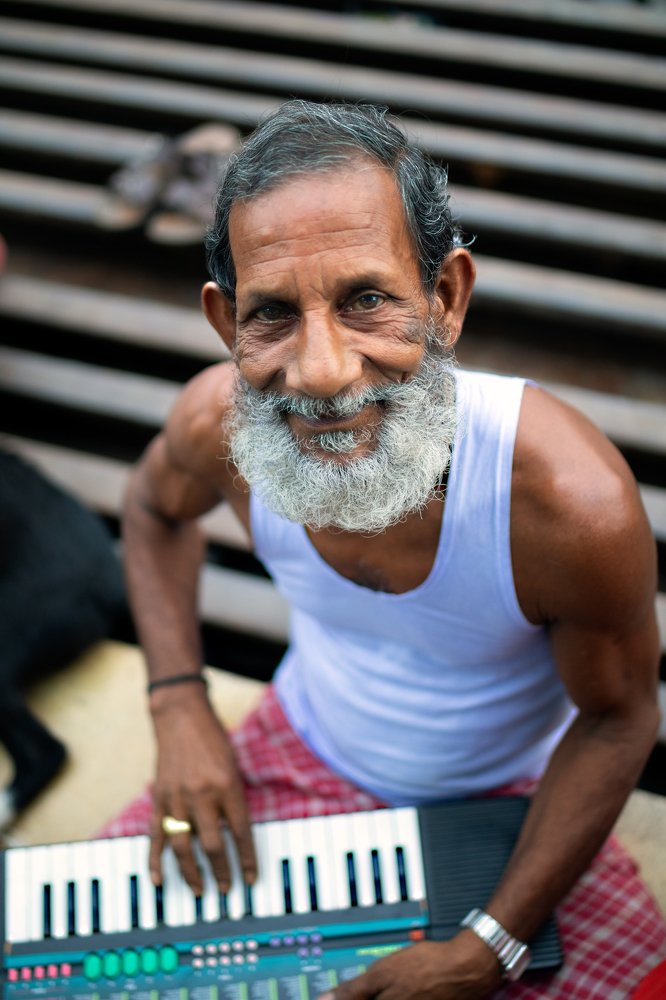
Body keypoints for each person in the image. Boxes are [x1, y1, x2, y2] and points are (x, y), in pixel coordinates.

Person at [110, 101, 666, 997]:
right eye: (273, 315)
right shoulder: (219, 420)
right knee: (99, 964)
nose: (321, 371)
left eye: (367, 300)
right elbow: (150, 510)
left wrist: (491, 945)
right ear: (225, 325)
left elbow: (619, 717)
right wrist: (179, 707)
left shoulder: (570, 505)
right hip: (296, 748)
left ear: (445, 299)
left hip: (516, 809)